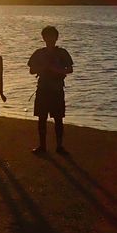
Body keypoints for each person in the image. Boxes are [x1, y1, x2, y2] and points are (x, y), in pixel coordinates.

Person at [27, 25, 73, 154]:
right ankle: (42, 146)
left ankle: (59, 146)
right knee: (42, 118)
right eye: (47, 36)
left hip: (57, 89)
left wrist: (56, 70)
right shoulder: (39, 53)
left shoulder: (62, 53)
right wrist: (43, 68)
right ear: (43, 38)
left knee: (58, 118)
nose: (50, 39)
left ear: (56, 38)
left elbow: (69, 69)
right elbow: (31, 70)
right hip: (43, 89)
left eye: (52, 36)